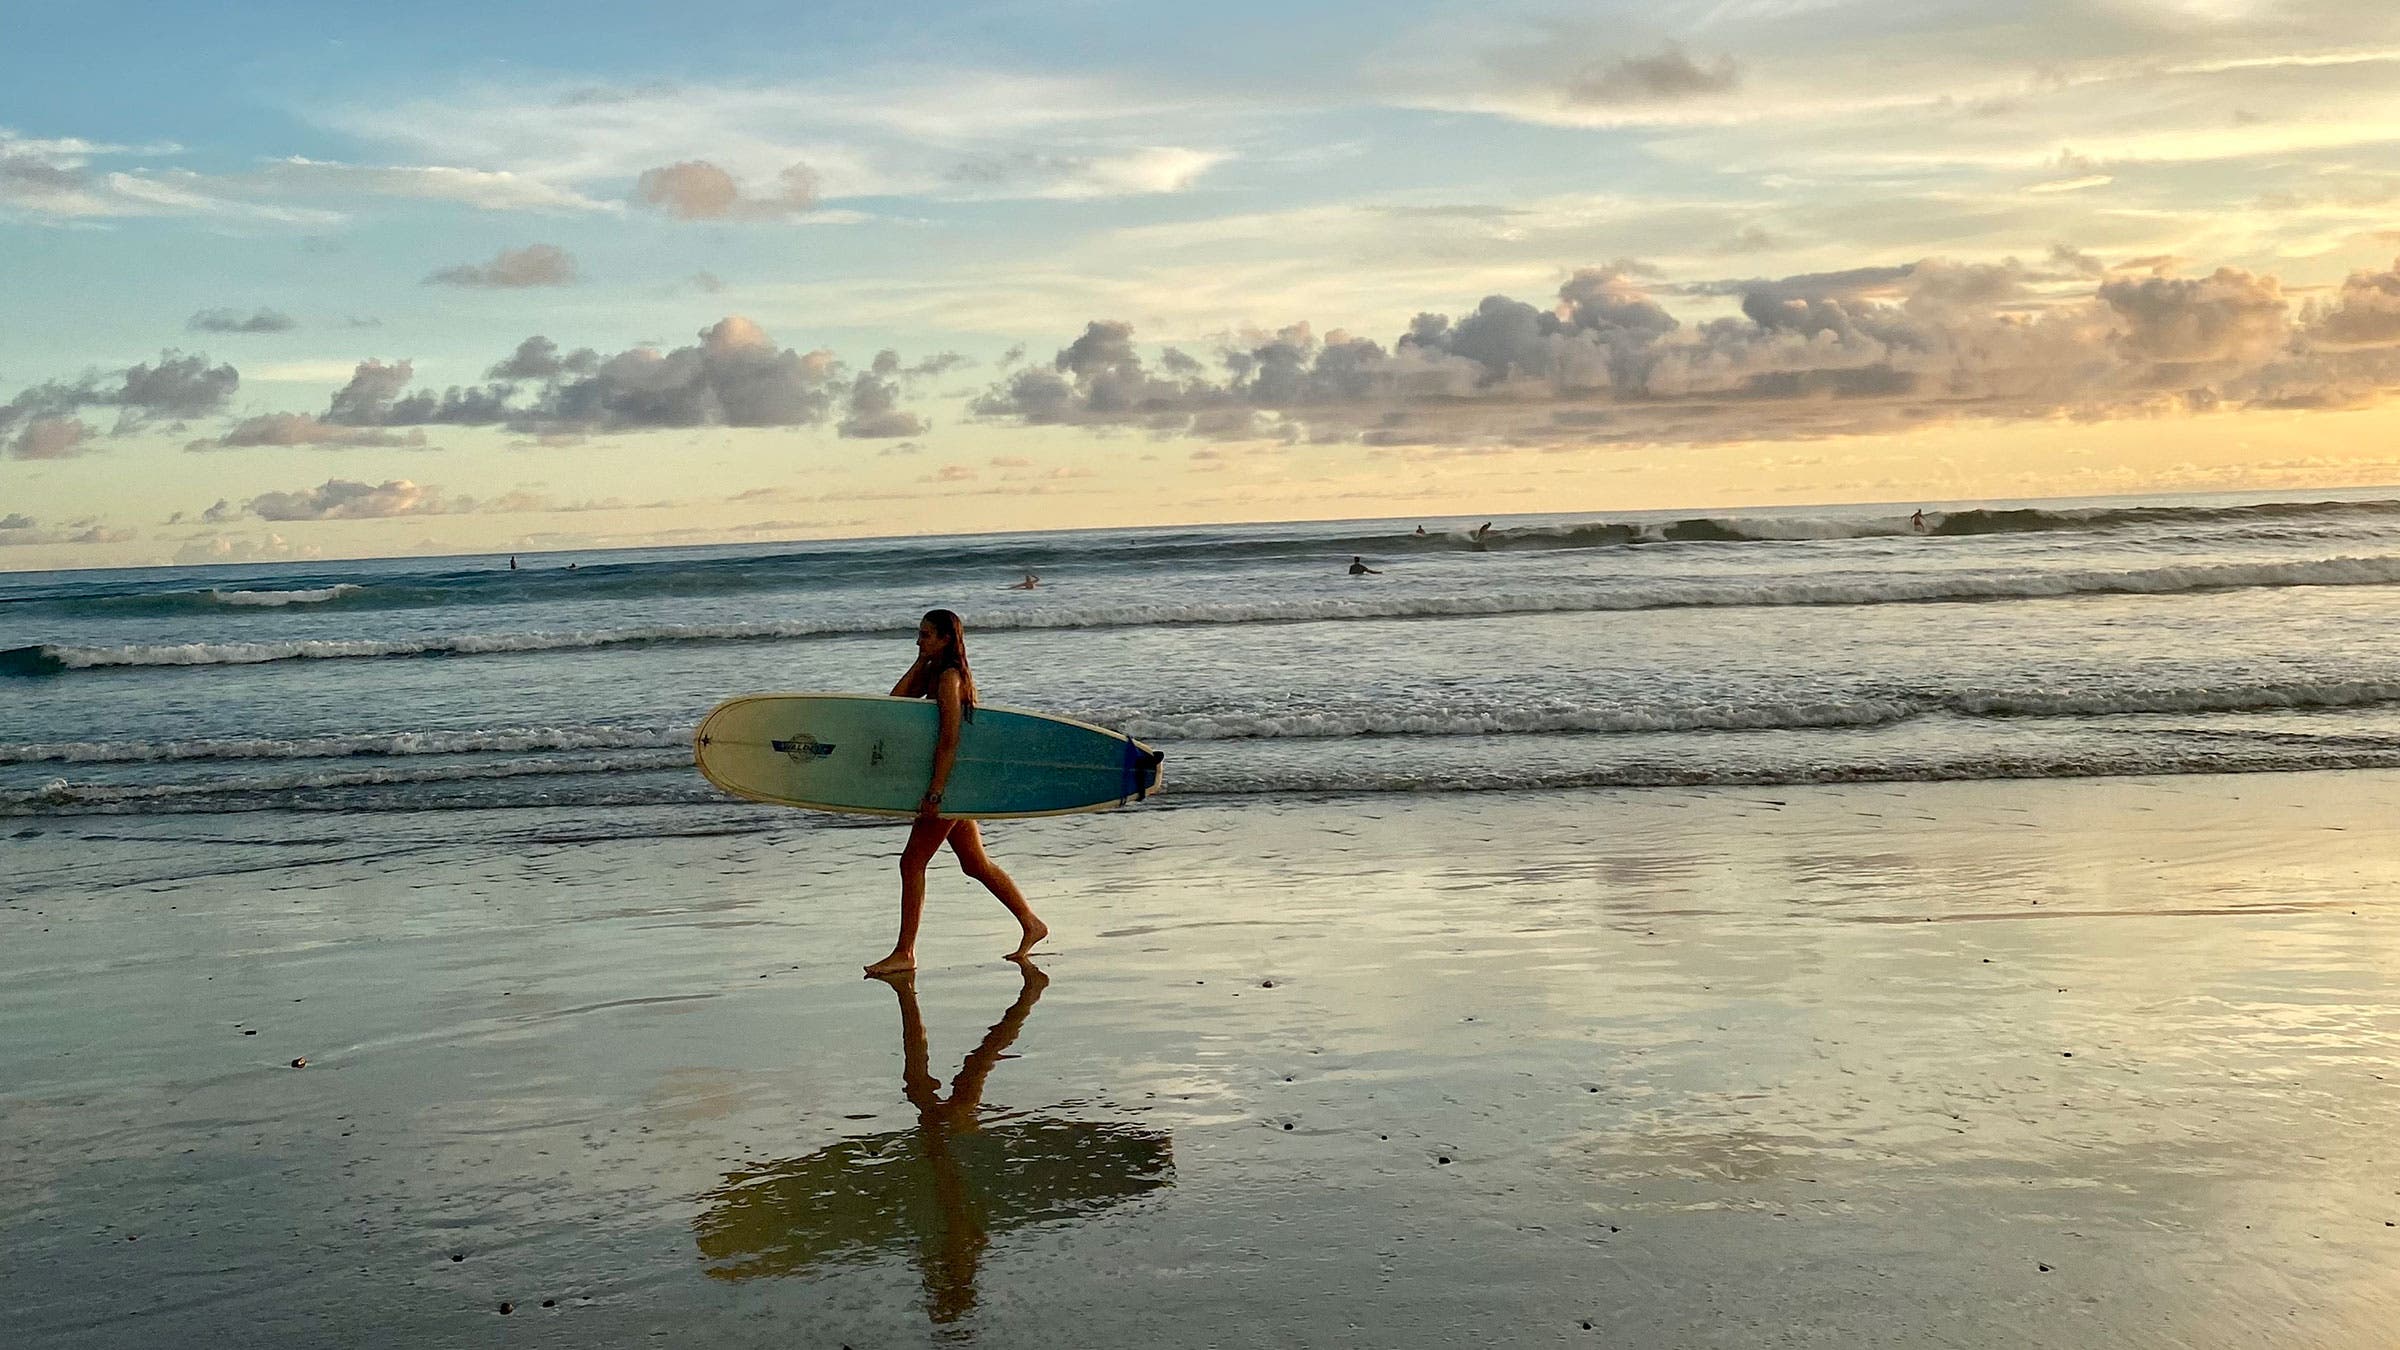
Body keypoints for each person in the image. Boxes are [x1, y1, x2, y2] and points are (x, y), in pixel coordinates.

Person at [866, 609, 1045, 975]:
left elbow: (950, 740)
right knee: (975, 864)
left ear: (947, 638)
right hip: (954, 783)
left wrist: (935, 794)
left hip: (949, 784)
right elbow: (894, 705)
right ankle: (1032, 923)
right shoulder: (935, 671)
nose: (919, 640)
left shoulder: (950, 678)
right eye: (919, 634)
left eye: (927, 635)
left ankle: (905, 952)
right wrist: (920, 662)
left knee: (911, 862)